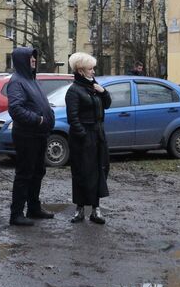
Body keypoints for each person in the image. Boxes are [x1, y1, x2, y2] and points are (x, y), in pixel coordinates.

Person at [7, 47, 56, 226]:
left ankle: (34, 208)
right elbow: (15, 109)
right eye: (30, 59)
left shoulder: (31, 80)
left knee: (38, 172)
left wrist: (49, 115)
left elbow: (40, 103)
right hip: (26, 135)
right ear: (22, 61)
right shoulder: (16, 82)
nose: (34, 61)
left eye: (35, 58)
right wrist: (38, 120)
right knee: (24, 174)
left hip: (39, 134)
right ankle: (16, 214)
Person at [66, 52, 112, 224]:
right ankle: (79, 209)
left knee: (100, 170)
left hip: (99, 134)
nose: (93, 72)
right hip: (83, 138)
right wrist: (83, 135)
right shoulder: (74, 91)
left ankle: (96, 209)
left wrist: (104, 91)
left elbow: (107, 104)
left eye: (93, 68)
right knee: (82, 172)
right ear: (80, 70)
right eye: (90, 69)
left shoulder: (94, 87)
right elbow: (73, 117)